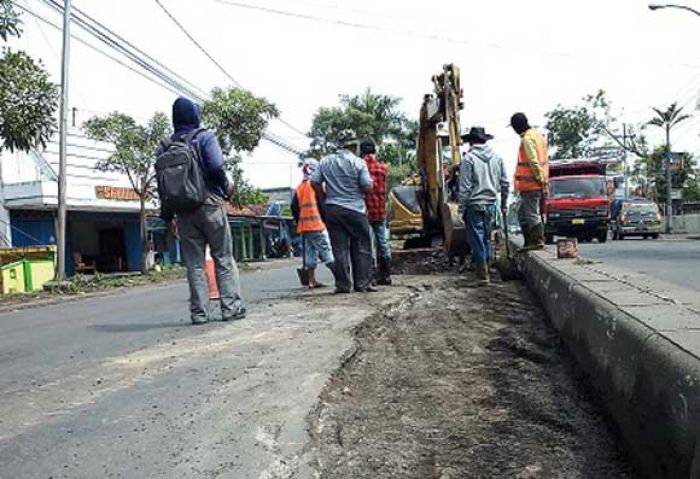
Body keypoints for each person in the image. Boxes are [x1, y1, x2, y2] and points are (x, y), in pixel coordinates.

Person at [161, 97, 245, 324]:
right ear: (195, 115)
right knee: (223, 257)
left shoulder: (165, 145)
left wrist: (168, 217)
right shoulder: (204, 137)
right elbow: (216, 165)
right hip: (210, 204)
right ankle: (231, 308)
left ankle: (199, 313)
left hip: (184, 211)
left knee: (194, 264)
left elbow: (163, 185)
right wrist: (226, 187)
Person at [311, 139, 375, 293]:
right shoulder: (359, 162)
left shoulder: (325, 161)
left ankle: (343, 285)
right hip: (356, 209)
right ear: (354, 146)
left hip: (333, 208)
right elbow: (367, 185)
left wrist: (324, 197)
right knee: (362, 247)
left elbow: (314, 181)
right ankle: (362, 283)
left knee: (339, 248)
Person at [458, 127, 509, 285]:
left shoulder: (469, 159)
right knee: (486, 238)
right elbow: (505, 183)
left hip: (474, 204)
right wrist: (504, 203)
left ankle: (482, 274)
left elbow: (465, 187)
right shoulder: (497, 158)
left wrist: (461, 207)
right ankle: (486, 268)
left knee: (476, 239)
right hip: (490, 204)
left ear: (471, 141)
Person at [291, 159, 335, 288]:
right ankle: (340, 278)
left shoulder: (300, 187)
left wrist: (300, 220)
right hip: (317, 224)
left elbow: (294, 206)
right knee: (327, 252)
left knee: (310, 253)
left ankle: (311, 281)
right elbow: (322, 204)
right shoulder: (316, 185)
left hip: (305, 227)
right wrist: (327, 221)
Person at [510, 112, 549, 251]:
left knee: (531, 213)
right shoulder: (538, 136)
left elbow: (533, 161)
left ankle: (537, 240)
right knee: (522, 213)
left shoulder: (527, 139)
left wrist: (539, 179)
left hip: (531, 184)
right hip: (536, 182)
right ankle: (529, 241)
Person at [360, 139, 392, 286]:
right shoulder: (383, 168)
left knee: (368, 244)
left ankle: (371, 275)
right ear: (374, 152)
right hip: (379, 209)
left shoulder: (360, 167)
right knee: (383, 242)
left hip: (365, 211)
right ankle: (386, 275)